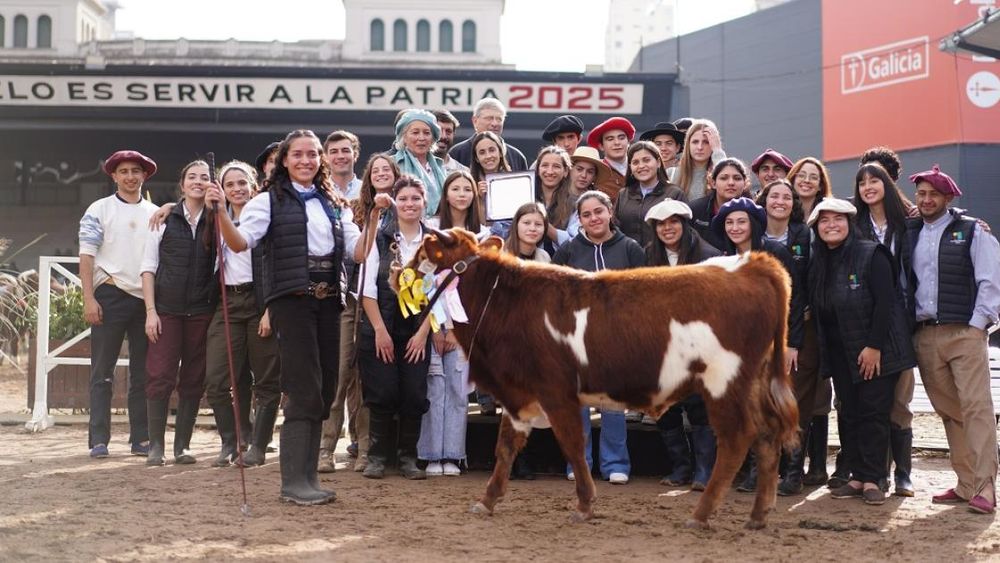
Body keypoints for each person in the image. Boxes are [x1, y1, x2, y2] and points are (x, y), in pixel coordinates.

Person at [208, 129, 361, 506]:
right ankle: (293, 482)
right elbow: (241, 242)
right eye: (298, 155)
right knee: (304, 386)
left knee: (325, 389)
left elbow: (356, 252)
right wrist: (218, 213)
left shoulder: (334, 202)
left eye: (313, 154)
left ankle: (308, 477)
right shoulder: (267, 200)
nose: (306, 161)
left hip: (329, 299)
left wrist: (375, 217)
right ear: (285, 161)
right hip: (291, 300)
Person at [808, 198, 916, 506]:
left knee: (873, 412)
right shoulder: (820, 261)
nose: (831, 225)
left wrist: (874, 346)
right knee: (850, 412)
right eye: (824, 221)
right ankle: (856, 476)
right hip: (842, 352)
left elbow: (887, 303)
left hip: (876, 350)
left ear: (850, 222)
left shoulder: (871, 253)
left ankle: (874, 479)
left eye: (838, 219)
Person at [906, 165, 1000, 515]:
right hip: (925, 334)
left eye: (934, 194)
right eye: (922, 194)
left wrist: (978, 326)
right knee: (949, 411)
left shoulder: (973, 231)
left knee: (976, 407)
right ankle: (965, 483)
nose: (927, 199)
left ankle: (985, 487)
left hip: (964, 333)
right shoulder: (911, 231)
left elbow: (991, 280)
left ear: (948, 198)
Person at [553, 190, 645, 485]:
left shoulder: (631, 248)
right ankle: (578, 462)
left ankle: (615, 463)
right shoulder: (568, 251)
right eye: (586, 214)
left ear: (610, 213)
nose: (594, 218)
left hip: (616, 341)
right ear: (579, 220)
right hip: (576, 340)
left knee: (613, 405)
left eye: (598, 211)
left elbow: (641, 297)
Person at [320, 153, 402, 474]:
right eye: (376, 170)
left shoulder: (406, 209)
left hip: (384, 304)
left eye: (387, 170)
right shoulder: (352, 208)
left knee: (368, 380)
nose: (381, 174)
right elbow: (354, 255)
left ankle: (366, 448)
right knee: (339, 375)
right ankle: (326, 448)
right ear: (367, 178)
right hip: (349, 299)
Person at [79, 150, 160, 458]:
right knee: (102, 372)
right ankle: (98, 439)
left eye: (135, 171)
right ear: (113, 176)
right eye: (123, 171)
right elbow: (86, 255)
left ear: (144, 175)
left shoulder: (154, 213)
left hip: (144, 299)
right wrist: (89, 298)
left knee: (143, 373)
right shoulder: (99, 209)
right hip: (110, 294)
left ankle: (140, 438)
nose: (130, 176)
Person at [203, 161, 281, 468]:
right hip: (227, 303)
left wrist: (270, 310)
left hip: (260, 301)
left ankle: (258, 445)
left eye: (242, 183)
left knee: (266, 380)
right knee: (217, 379)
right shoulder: (214, 218)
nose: (237, 189)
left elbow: (277, 266)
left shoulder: (265, 216)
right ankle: (231, 440)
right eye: (230, 184)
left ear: (253, 184)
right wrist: (168, 207)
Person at [140, 160, 217, 466]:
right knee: (159, 375)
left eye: (205, 177)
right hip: (167, 311)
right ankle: (156, 445)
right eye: (192, 177)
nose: (198, 182)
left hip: (201, 311)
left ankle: (181, 446)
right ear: (182, 184)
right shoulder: (164, 218)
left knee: (194, 379)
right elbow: (147, 268)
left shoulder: (217, 219)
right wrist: (150, 311)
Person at [358, 175, 435, 481]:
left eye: (415, 198)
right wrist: (378, 330)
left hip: (417, 329)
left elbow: (440, 293)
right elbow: (366, 289)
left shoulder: (433, 241)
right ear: (394, 203)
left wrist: (423, 333)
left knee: (414, 393)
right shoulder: (380, 237)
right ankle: (377, 457)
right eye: (403, 199)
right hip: (382, 325)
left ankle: (408, 458)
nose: (409, 204)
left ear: (424, 202)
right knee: (383, 391)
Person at [643, 199, 720, 490]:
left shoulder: (708, 255)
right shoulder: (649, 256)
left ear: (684, 223)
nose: (667, 228)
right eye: (661, 224)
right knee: (667, 407)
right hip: (662, 346)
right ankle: (680, 467)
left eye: (673, 222)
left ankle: (704, 471)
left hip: (699, 344)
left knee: (700, 407)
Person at [853, 161, 917, 496]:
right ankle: (878, 471)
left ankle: (904, 472)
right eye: (862, 182)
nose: (868, 187)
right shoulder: (854, 224)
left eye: (873, 181)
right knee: (873, 400)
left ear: (886, 185)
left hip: (903, 321)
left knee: (900, 401)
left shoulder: (908, 223)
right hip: (868, 320)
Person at [416, 171, 486, 477]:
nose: (461, 194)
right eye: (455, 188)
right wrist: (437, 326)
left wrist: (461, 333)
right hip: (434, 321)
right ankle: (431, 453)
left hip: (467, 326)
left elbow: (484, 288)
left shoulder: (484, 235)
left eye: (467, 189)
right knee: (435, 388)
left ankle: (455, 455)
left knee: (458, 391)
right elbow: (422, 281)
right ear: (445, 194)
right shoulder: (430, 232)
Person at [755, 180, 818, 495]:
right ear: (763, 201)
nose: (779, 201)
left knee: (791, 400)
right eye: (773, 196)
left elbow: (801, 290)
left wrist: (792, 341)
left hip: (794, 328)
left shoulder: (805, 236)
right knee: (760, 400)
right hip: (757, 332)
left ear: (795, 203)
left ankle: (794, 471)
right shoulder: (751, 233)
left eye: (785, 197)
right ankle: (764, 468)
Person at [615, 140, 686, 250]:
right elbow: (615, 228)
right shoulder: (623, 194)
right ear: (630, 167)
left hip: (660, 260)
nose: (641, 166)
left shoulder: (674, 194)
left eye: (646, 160)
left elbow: (684, 232)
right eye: (635, 162)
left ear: (658, 163)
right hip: (628, 259)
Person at [449, 97, 529, 171]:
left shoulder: (517, 157)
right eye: (489, 118)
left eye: (499, 119)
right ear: (475, 121)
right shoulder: (457, 153)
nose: (494, 123)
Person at [689, 157, 752, 251]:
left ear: (745, 183)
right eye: (724, 178)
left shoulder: (754, 211)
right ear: (713, 183)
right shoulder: (694, 210)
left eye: (737, 178)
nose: (731, 183)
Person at [393, 109, 447, 216]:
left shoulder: (440, 167)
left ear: (433, 138)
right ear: (404, 137)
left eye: (427, 133)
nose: (421, 138)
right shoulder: (392, 164)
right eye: (415, 132)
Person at [670, 119, 727, 200]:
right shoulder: (671, 174)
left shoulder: (718, 175)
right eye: (695, 142)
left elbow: (727, 177)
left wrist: (717, 150)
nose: (700, 147)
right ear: (688, 145)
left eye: (706, 142)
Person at [585, 116, 635, 199]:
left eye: (621, 138)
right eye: (610, 139)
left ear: (629, 142)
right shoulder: (595, 173)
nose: (617, 142)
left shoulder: (640, 168)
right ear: (601, 146)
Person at [787, 157, 832, 221]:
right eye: (801, 175)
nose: (807, 180)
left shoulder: (829, 211)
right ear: (793, 180)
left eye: (813, 178)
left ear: (820, 186)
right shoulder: (784, 212)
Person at [324, 130, 362, 199]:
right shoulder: (318, 191)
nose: (340, 156)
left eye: (345, 151)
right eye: (334, 152)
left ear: (355, 155)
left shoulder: (368, 191)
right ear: (326, 158)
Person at [433, 110, 469, 175]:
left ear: (454, 134)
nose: (443, 136)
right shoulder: (415, 166)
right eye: (439, 130)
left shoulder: (464, 172)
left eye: (448, 131)